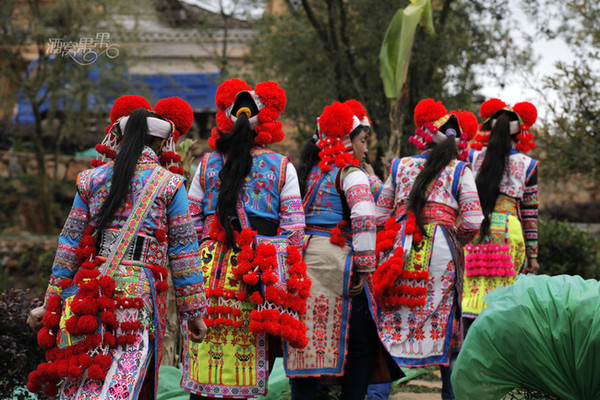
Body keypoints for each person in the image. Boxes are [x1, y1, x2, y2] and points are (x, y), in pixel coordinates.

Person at [26, 95, 208, 399]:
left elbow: (70, 245)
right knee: (123, 383)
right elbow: (183, 252)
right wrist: (194, 313)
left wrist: (50, 301)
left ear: (118, 138)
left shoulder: (91, 180)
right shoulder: (169, 184)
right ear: (162, 144)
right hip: (137, 300)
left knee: (84, 379)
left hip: (89, 292)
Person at [182, 78, 309, 399]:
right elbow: (294, 232)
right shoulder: (281, 167)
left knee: (203, 366)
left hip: (208, 274)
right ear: (266, 121)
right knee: (245, 369)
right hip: (255, 278)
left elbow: (191, 223)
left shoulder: (207, 163)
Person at [284, 100, 401, 400]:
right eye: (362, 141)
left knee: (306, 344)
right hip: (339, 263)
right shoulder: (350, 173)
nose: (364, 150)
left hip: (302, 263)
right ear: (346, 141)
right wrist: (364, 265)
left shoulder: (306, 172)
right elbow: (364, 216)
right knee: (362, 343)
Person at [370, 99, 483, 400]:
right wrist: (456, 238)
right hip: (442, 251)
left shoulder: (400, 166)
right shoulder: (460, 169)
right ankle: (450, 394)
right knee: (448, 327)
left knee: (392, 324)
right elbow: (473, 219)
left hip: (401, 248)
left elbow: (380, 215)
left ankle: (377, 394)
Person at [462, 98, 540, 333]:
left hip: (478, 228)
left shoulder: (472, 158)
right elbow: (530, 214)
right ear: (520, 134)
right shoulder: (529, 164)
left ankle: (469, 350)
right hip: (510, 230)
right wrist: (533, 254)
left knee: (472, 292)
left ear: (488, 129)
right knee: (506, 297)